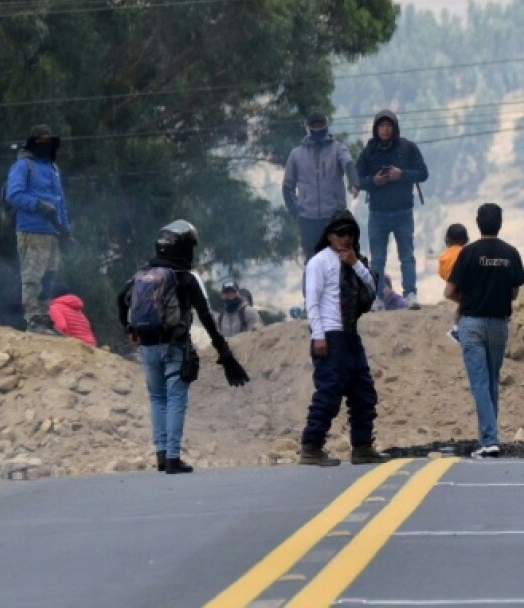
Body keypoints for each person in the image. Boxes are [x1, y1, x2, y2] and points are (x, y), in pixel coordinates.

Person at [117, 221, 250, 474]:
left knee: (157, 398)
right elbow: (207, 317)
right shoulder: (186, 278)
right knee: (176, 398)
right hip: (175, 346)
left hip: (147, 346)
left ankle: (160, 453)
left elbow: (120, 298)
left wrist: (129, 329)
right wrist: (224, 352)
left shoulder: (141, 275)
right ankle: (173, 457)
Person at [298, 209, 388, 467]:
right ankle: (311, 447)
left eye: (350, 233)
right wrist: (318, 336)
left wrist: (355, 264)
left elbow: (372, 290)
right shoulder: (319, 262)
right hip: (329, 334)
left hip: (350, 335)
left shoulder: (356, 263)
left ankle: (362, 447)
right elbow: (312, 303)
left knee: (364, 392)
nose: (345, 238)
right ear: (329, 236)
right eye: (340, 233)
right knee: (329, 392)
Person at [445, 203, 524, 458]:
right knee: (491, 380)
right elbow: (514, 292)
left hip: (471, 323)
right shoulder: (511, 253)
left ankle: (490, 440)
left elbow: (449, 292)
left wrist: (470, 299)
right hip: (499, 323)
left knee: (479, 383)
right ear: (500, 223)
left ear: (478, 223)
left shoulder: (467, 253)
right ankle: (488, 438)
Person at [356, 109, 429, 310]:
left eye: (388, 125)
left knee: (407, 255)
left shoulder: (407, 148)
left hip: (403, 212)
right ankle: (377, 298)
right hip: (378, 213)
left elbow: (423, 173)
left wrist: (401, 174)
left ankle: (411, 294)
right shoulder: (369, 152)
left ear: (394, 127)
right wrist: (374, 181)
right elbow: (355, 179)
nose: (385, 129)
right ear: (375, 128)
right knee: (377, 259)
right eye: (381, 125)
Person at [6, 124, 72, 335]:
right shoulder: (23, 166)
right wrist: (38, 205)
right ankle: (32, 318)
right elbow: (13, 195)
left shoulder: (53, 169)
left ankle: (44, 317)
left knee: (50, 275)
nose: (46, 146)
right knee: (32, 275)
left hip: (52, 232)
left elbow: (60, 203)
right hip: (31, 230)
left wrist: (65, 230)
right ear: (32, 143)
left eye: (48, 142)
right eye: (41, 142)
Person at [283, 112, 360, 261]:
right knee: (312, 262)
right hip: (308, 219)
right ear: (308, 128)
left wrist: (354, 183)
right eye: (314, 126)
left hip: (334, 217)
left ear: (326, 126)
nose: (317, 129)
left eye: (320, 125)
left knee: (339, 261)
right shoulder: (296, 154)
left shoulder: (338, 149)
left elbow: (349, 164)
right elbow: (287, 186)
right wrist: (296, 211)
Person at [42, 274, 97, 348]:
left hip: (77, 345)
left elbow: (61, 327)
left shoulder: (55, 307)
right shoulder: (76, 309)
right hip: (91, 344)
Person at [438, 223, 469, 344]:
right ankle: (457, 330)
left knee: (462, 305)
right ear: (466, 240)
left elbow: (441, 273)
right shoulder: (467, 252)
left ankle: (456, 328)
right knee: (465, 305)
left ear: (447, 240)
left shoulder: (443, 257)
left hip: (453, 286)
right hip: (467, 284)